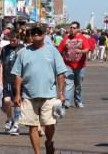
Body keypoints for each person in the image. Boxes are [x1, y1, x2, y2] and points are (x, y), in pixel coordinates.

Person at [11, 22, 67, 154]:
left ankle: (48, 142)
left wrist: (61, 93)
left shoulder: (52, 51)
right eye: (33, 32)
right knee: (32, 127)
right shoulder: (24, 52)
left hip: (49, 94)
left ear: (44, 34)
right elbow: (18, 75)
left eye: (39, 32)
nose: (36, 34)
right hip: (29, 95)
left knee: (49, 124)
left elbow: (60, 73)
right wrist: (17, 94)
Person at [58, 21, 90, 108]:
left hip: (80, 66)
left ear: (78, 29)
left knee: (78, 85)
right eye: (71, 27)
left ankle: (78, 101)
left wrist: (81, 51)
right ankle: (67, 102)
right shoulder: (66, 39)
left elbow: (87, 49)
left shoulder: (83, 38)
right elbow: (60, 50)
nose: (72, 29)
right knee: (69, 84)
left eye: (74, 28)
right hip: (68, 65)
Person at [0, 30, 24, 135]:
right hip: (6, 79)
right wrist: (0, 79)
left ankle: (16, 124)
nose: (12, 42)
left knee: (17, 102)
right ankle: (9, 118)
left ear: (18, 39)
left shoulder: (22, 48)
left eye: (14, 40)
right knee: (6, 100)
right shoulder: (5, 49)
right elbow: (0, 64)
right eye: (10, 40)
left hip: (18, 79)